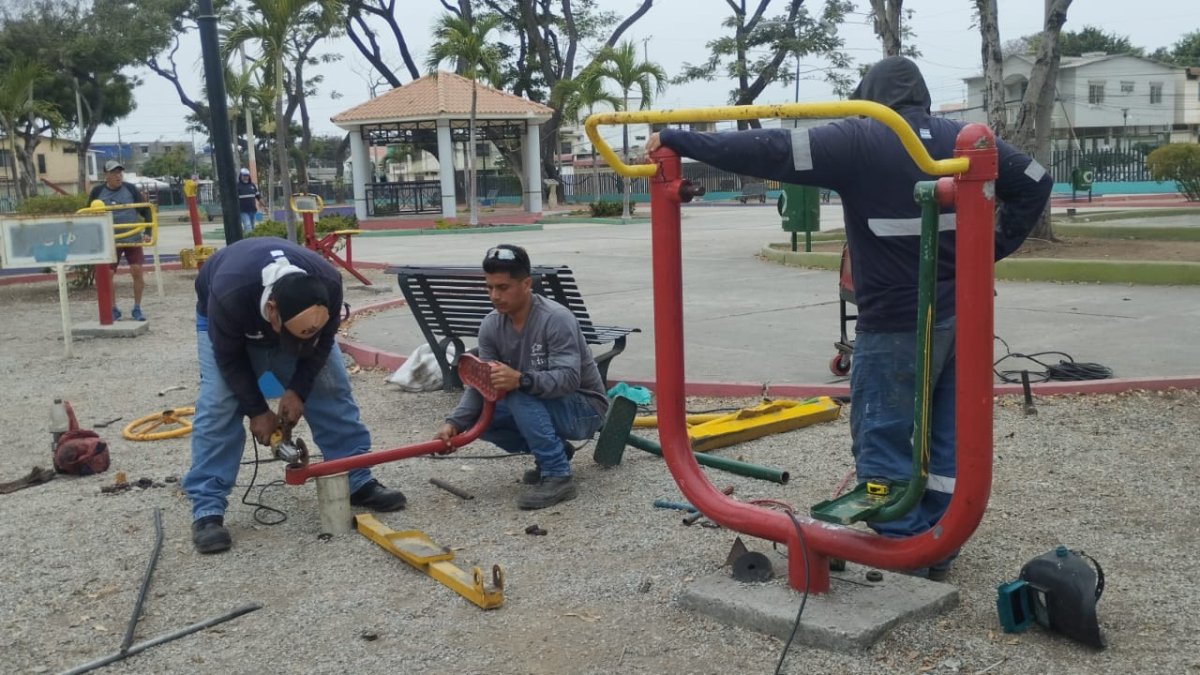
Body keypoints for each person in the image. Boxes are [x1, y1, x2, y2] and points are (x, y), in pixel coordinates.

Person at [646, 56, 1053, 579]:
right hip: (964, 318)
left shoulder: (866, 137)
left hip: (894, 322)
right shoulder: (963, 139)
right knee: (950, 431)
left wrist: (683, 140)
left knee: (884, 432)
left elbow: (771, 150)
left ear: (870, 98)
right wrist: (990, 248)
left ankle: (905, 546)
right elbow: (1037, 181)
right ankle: (940, 540)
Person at [185, 238, 407, 554]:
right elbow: (230, 359)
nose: (295, 351)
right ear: (272, 310)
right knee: (219, 401)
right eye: (291, 341)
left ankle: (356, 477)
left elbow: (324, 341)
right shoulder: (229, 293)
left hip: (281, 317)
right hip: (227, 322)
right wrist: (257, 410)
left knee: (331, 385)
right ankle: (207, 508)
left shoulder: (327, 284)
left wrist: (298, 390)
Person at [434, 244, 608, 510]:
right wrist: (455, 424)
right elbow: (483, 384)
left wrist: (522, 380)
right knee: (484, 417)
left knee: (516, 393)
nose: (494, 296)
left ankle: (558, 474)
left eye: (503, 288)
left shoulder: (555, 318)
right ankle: (556, 452)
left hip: (585, 408)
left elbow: (570, 379)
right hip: (542, 401)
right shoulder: (491, 325)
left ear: (526, 284)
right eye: (489, 287)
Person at [89, 160, 151, 321]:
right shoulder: (97, 192)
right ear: (106, 176)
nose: (118, 176)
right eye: (114, 173)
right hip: (110, 241)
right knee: (107, 274)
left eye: (120, 173)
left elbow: (146, 210)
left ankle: (137, 308)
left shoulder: (130, 189)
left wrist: (148, 231)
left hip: (131, 238)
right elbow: (88, 215)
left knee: (136, 270)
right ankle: (113, 308)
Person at [236, 167, 264, 233]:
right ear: (241, 176)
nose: (246, 177)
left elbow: (258, 196)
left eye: (247, 176)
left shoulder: (252, 185)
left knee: (252, 226)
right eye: (244, 176)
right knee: (247, 226)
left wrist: (264, 206)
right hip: (243, 211)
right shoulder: (237, 186)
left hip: (252, 210)